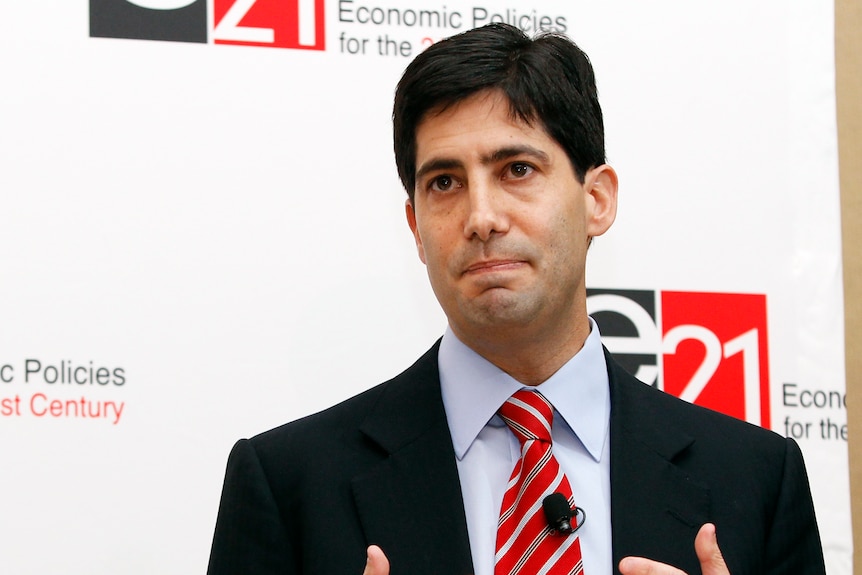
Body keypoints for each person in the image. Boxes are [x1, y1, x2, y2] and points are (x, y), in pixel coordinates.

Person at [207, 23, 825, 575]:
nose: (481, 216)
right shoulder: (289, 485)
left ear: (597, 199)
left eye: (517, 170)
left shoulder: (755, 478)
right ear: (416, 227)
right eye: (444, 182)